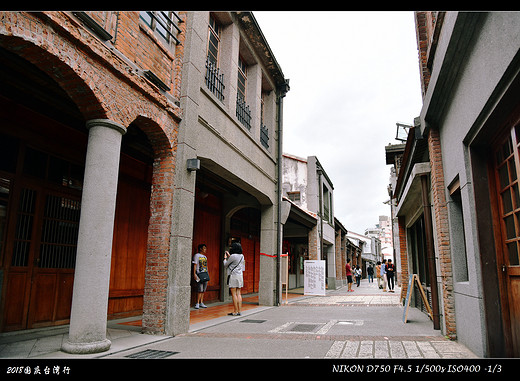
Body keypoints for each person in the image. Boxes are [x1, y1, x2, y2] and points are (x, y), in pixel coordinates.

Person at [223, 242, 245, 316]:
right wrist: (230, 256)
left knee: (233, 294)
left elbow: (226, 265)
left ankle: (235, 311)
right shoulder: (242, 256)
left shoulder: (232, 256)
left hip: (233, 276)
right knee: (239, 293)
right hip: (240, 276)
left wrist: (225, 258)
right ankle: (239, 311)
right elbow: (235, 261)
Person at [192, 244, 209, 309]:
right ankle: (197, 303)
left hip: (205, 273)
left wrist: (208, 273)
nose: (205, 249)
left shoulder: (205, 257)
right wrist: (194, 274)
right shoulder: (197, 255)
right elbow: (195, 265)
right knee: (200, 289)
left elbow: (206, 266)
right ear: (201, 249)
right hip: (199, 274)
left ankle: (201, 302)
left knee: (204, 290)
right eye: (204, 248)